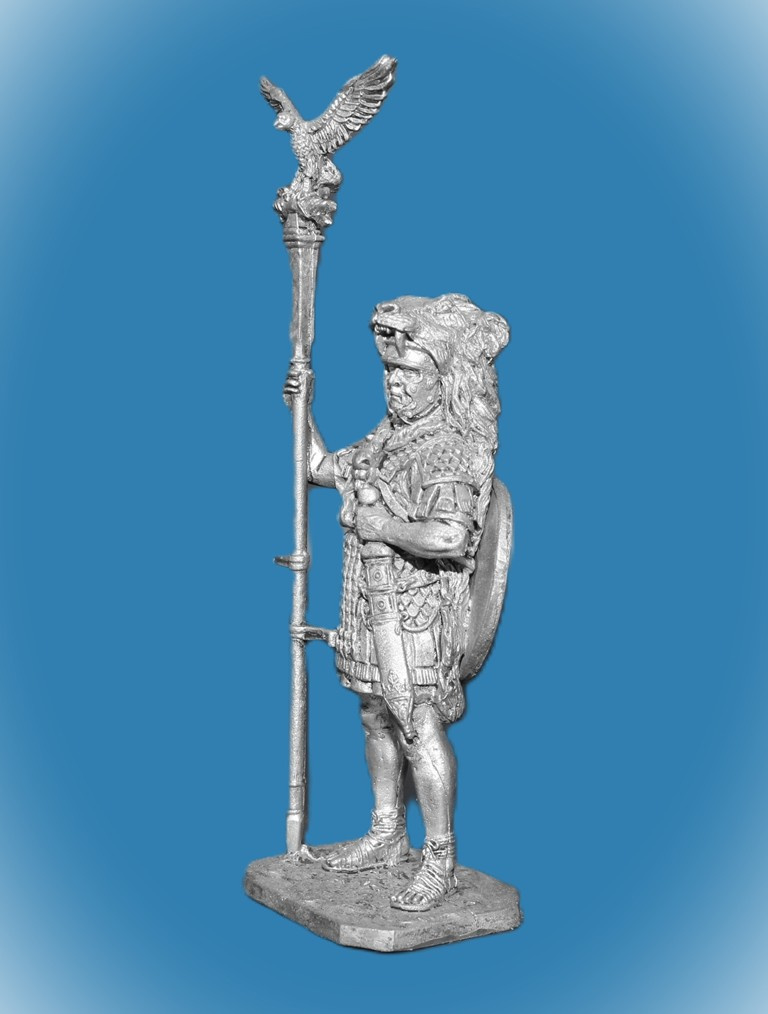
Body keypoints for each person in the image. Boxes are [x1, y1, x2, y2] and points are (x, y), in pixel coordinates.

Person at [285, 293, 509, 911]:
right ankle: (387, 832)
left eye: (408, 371)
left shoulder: (448, 448)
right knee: (375, 715)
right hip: (368, 602)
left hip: (417, 612)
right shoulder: (387, 438)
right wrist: (301, 406)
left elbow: (451, 537)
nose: (395, 383)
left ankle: (439, 856)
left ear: (441, 378)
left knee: (417, 724)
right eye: (389, 371)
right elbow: (318, 467)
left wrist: (381, 525)